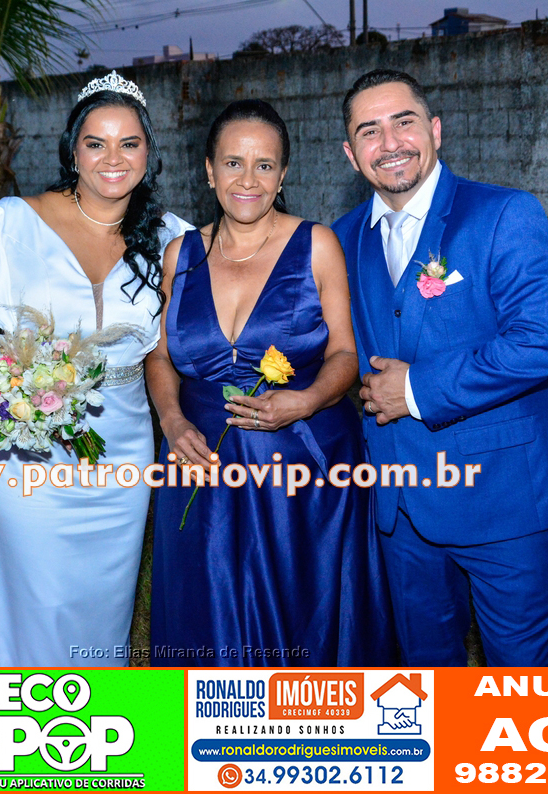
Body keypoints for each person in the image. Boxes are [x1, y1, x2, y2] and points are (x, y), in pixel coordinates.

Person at [332, 69, 548, 667]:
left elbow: (546, 339)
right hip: (400, 511)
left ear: (435, 130)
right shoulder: (340, 240)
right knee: (426, 683)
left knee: (522, 688)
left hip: (507, 504)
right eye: (369, 131)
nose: (390, 143)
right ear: (350, 153)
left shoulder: (503, 214)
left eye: (404, 122)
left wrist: (416, 389)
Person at [0, 72, 192, 666]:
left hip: (124, 448)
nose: (114, 158)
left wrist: (174, 419)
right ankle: (18, 712)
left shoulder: (170, 238)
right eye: (96, 143)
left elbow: (163, 350)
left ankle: (91, 712)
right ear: (72, 150)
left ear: (149, 153)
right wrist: (13, 384)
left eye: (129, 143)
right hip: (27, 445)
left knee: (105, 599)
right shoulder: (12, 221)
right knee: (36, 592)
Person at [147, 100, 394, 667]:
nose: (248, 180)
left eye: (264, 165)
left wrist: (306, 400)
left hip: (300, 467)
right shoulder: (180, 254)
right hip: (199, 462)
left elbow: (345, 353)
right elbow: (159, 356)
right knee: (207, 612)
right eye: (233, 163)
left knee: (302, 620)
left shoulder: (317, 244)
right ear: (209, 171)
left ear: (283, 175)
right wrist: (173, 421)